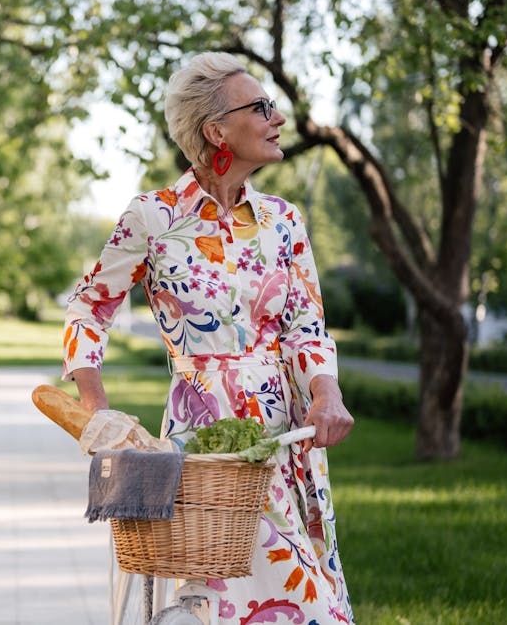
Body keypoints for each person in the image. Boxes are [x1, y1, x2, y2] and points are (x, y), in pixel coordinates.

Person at [61, 52, 355, 624]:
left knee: (308, 602)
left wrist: (328, 394)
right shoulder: (153, 217)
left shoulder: (284, 221)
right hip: (201, 439)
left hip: (284, 435)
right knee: (209, 604)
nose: (279, 119)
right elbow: (87, 311)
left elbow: (305, 327)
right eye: (263, 107)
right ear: (216, 130)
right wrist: (95, 413)